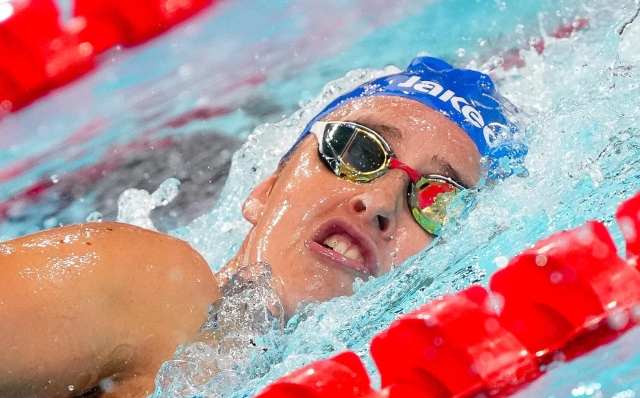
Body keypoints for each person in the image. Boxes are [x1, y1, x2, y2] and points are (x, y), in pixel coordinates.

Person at [0, 56, 525, 398]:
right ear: (265, 188)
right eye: (356, 149)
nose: (380, 200)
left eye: (437, 199)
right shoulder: (148, 285)